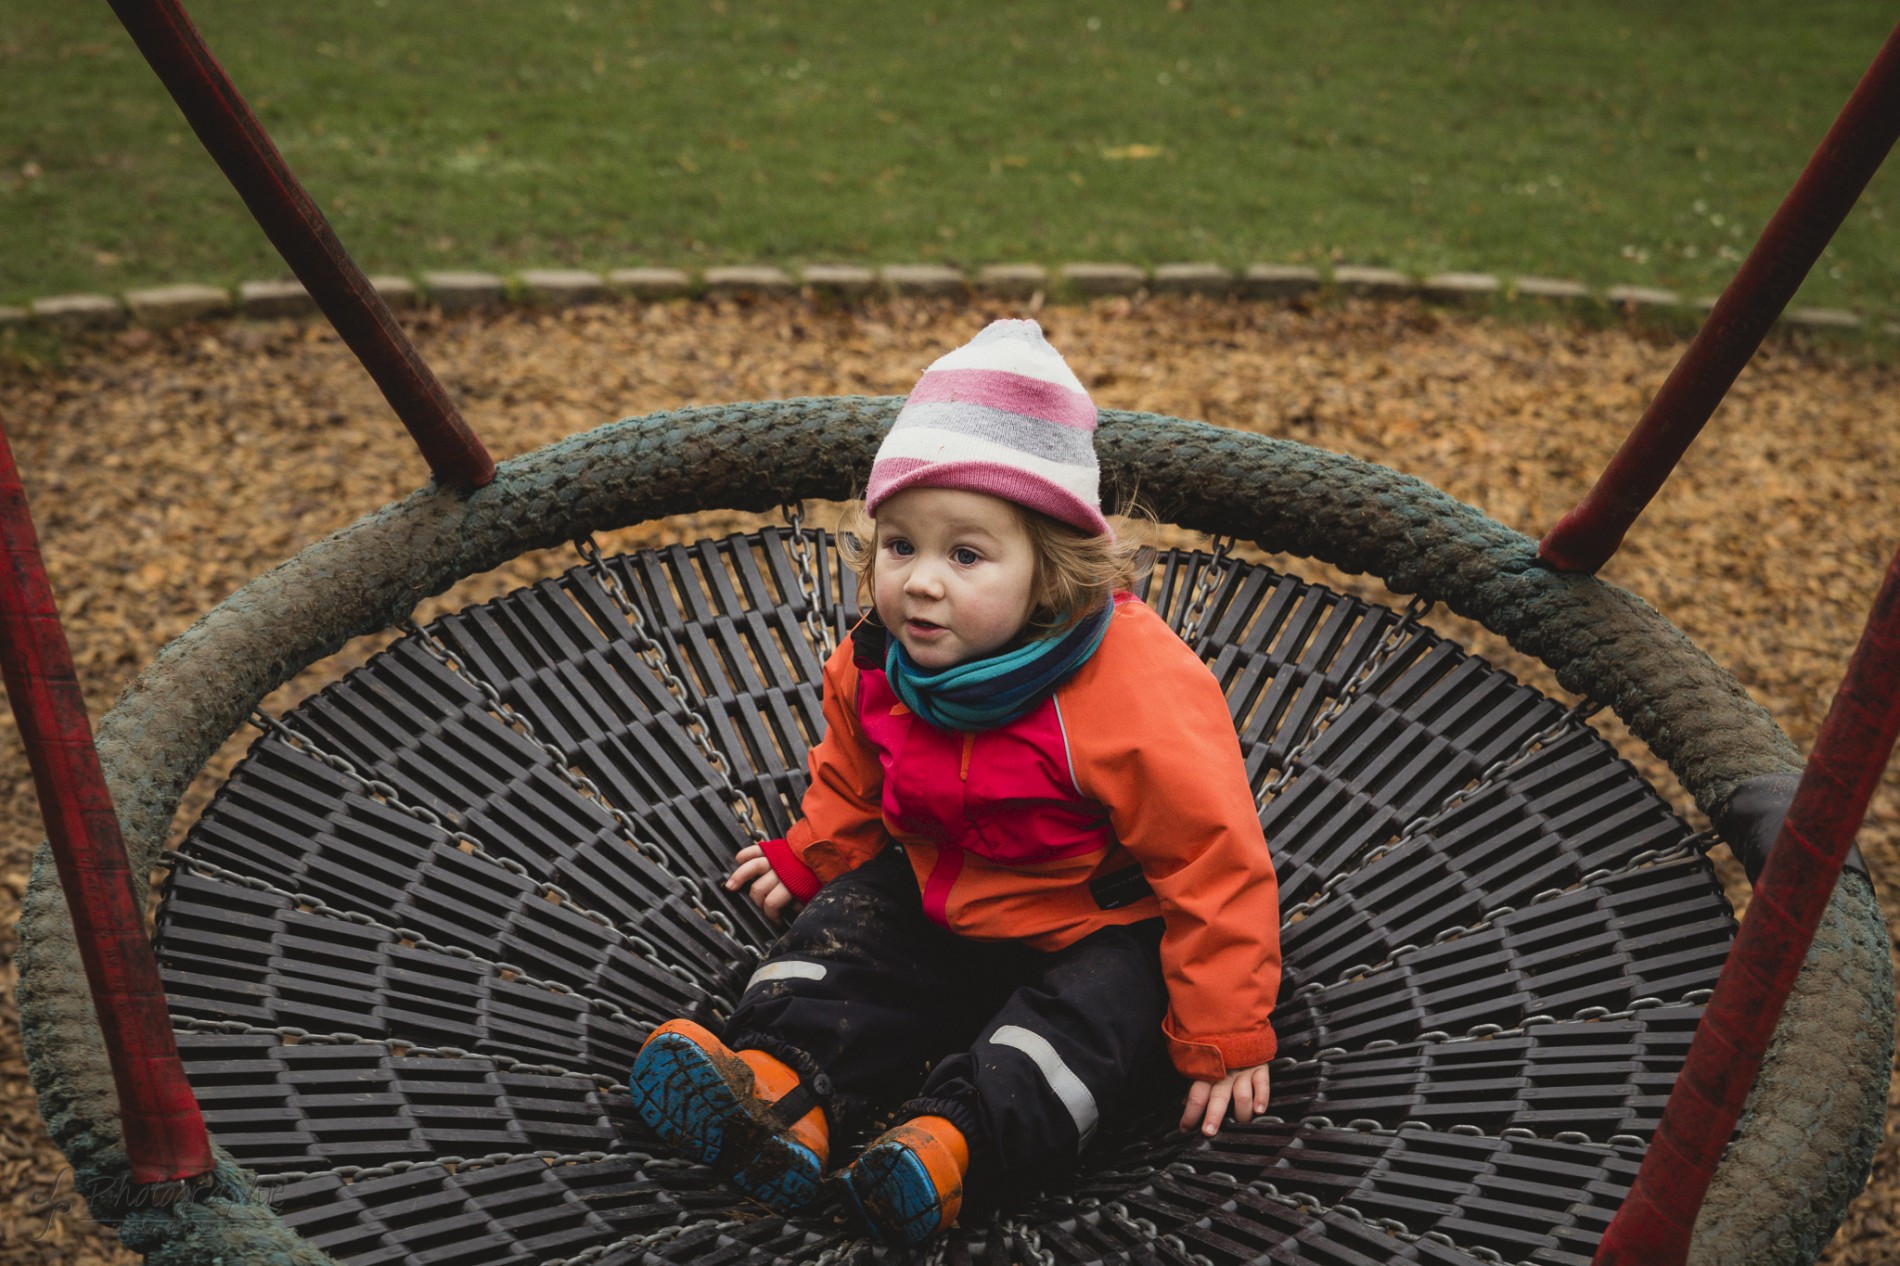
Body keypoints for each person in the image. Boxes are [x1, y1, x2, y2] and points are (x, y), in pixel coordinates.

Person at [627, 318, 1281, 1246]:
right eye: (901, 546)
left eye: (965, 555)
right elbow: (852, 773)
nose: (921, 584)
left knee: (1094, 1023)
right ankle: (778, 1089)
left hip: (1095, 917)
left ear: (1051, 571)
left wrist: (1224, 1024)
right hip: (947, 882)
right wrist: (816, 855)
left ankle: (950, 1146)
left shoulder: (1133, 687)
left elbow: (1212, 857)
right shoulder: (879, 660)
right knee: (847, 939)